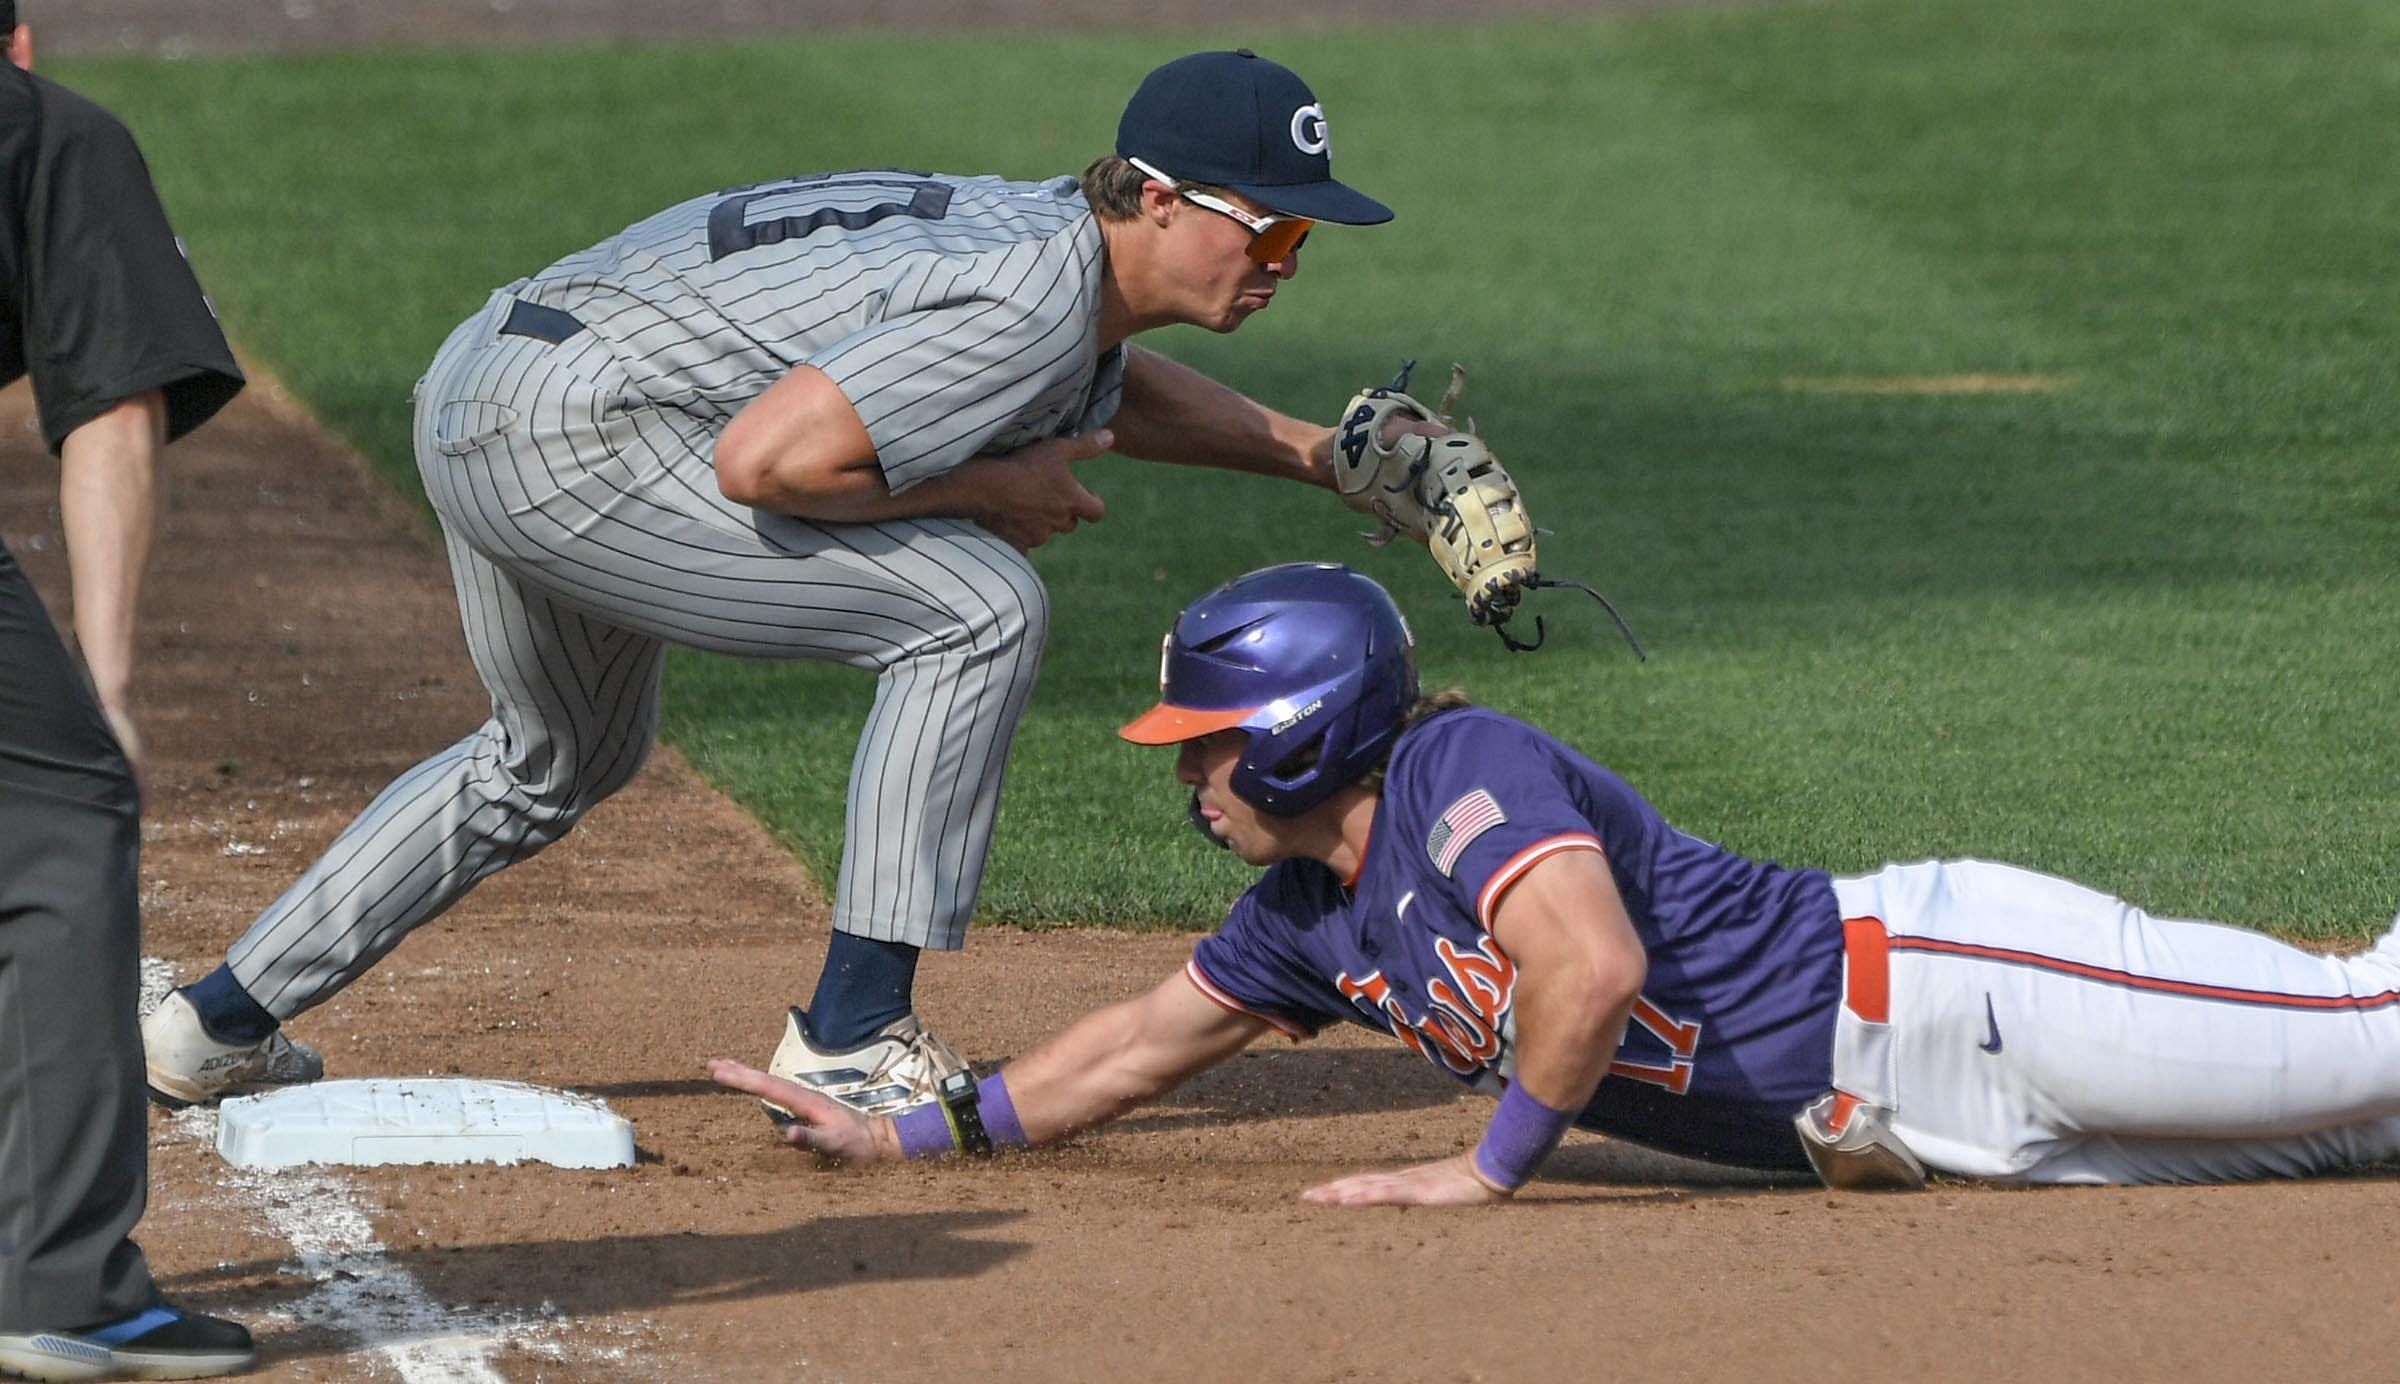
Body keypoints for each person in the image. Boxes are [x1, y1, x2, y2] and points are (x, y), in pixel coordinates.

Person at [143, 49, 1416, 1123]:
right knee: (977, 609)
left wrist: (1320, 457)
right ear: (1153, 199)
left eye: (1302, 233)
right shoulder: (1034, 297)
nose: (1287, 261)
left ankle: (215, 1024)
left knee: (551, 760)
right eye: (1269, 226)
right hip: (581, 437)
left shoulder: (1044, 246)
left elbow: (1091, 379)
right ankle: (857, 1032)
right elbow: (766, 462)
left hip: (496, 388)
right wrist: (990, 490)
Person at [709, 562, 2400, 1200]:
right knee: (2366, 1126)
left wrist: (1492, 1165)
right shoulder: (1305, 918)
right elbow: (1131, 1046)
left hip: (1971, 990)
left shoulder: (1468, 769)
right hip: (1941, 1128)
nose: (1184, 768)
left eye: (1209, 737)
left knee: (2373, 1023)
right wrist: (903, 1131)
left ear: (1302, 736)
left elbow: (1580, 967)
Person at [0, 4, 262, 1377]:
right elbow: (109, 408)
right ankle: (65, 1290)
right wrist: (104, 685)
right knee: (56, 810)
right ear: (21, 43)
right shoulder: (49, 131)